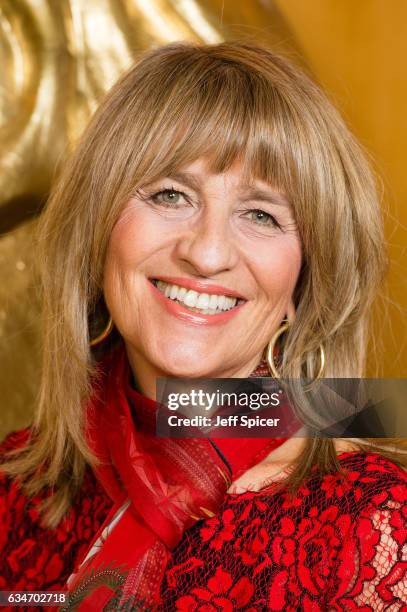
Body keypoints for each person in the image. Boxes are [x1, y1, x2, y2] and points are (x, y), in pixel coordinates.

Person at [1, 41, 406, 611]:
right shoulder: (15, 490)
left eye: (261, 214)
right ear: (96, 230)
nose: (208, 253)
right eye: (171, 195)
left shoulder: (372, 527)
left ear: (306, 279)